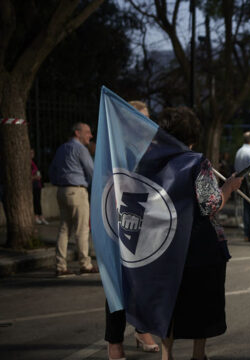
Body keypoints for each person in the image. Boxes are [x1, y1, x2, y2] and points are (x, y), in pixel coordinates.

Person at [156, 107, 243, 360]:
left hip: (164, 244)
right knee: (201, 303)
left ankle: (166, 354)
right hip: (199, 245)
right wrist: (228, 187)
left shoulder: (151, 163)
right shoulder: (196, 162)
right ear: (192, 135)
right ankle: (198, 354)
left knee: (169, 304)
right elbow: (210, 205)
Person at [104, 101, 159, 360]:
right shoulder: (116, 147)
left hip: (147, 217)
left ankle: (141, 329)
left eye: (147, 117)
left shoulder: (151, 146)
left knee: (144, 279)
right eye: (140, 117)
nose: (145, 122)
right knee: (118, 280)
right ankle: (114, 341)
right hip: (120, 217)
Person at [49, 122, 97, 277]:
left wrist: (60, 181)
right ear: (77, 133)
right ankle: (85, 265)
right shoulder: (80, 149)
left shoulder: (62, 148)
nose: (90, 135)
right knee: (82, 229)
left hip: (62, 191)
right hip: (77, 191)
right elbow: (91, 170)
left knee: (64, 229)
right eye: (87, 132)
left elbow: (52, 170)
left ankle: (60, 266)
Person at [235, 131, 250, 241]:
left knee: (245, 207)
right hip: (249, 181)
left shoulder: (239, 151)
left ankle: (246, 234)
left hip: (240, 180)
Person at [31, 149, 47, 225]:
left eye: (33, 152)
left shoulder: (34, 162)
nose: (32, 154)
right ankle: (37, 216)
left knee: (38, 200)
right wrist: (34, 177)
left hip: (38, 184)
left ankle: (40, 216)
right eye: (30, 152)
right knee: (36, 201)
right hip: (33, 185)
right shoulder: (28, 163)